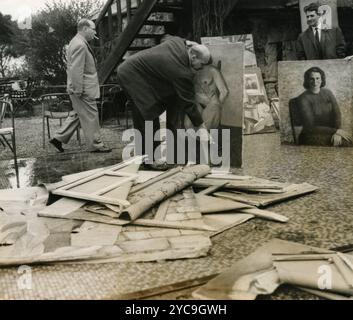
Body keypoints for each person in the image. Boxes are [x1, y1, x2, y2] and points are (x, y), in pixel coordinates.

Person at [117, 36, 213, 164]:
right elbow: (188, 102)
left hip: (142, 74)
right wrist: (201, 127)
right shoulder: (180, 71)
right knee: (148, 116)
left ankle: (170, 155)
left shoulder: (178, 43)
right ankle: (149, 161)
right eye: (201, 65)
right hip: (132, 75)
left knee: (166, 105)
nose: (201, 69)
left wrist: (188, 42)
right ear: (193, 57)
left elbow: (167, 37)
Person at [49, 19, 111, 153]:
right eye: (93, 29)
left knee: (79, 113)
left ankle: (58, 138)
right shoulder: (80, 45)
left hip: (80, 87)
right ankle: (96, 145)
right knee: (91, 115)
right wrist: (78, 90)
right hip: (82, 89)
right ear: (85, 29)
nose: (95, 32)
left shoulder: (76, 42)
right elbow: (76, 70)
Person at [295, 66, 352, 146]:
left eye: (317, 78)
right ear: (307, 80)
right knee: (346, 143)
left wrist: (338, 132)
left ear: (322, 80)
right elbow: (310, 127)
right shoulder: (303, 98)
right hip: (310, 136)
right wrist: (335, 131)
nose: (315, 82)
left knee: (350, 140)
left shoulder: (328, 93)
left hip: (330, 132)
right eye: (312, 79)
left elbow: (337, 114)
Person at [184, 62, 229, 130]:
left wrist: (216, 106)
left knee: (203, 129)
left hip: (211, 102)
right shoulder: (190, 70)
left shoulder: (213, 70)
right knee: (187, 125)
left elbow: (224, 92)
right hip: (197, 102)